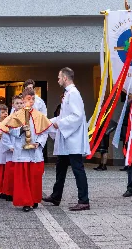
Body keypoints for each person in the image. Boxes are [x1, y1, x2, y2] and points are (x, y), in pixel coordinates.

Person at [43, 67, 91, 211]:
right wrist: (48, 122)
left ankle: (84, 200)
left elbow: (77, 116)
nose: (57, 80)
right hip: (66, 138)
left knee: (77, 168)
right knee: (60, 167)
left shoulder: (74, 93)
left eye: (59, 77)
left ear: (65, 78)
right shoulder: (68, 93)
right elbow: (63, 116)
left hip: (73, 139)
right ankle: (56, 196)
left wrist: (60, 123)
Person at [1, 88, 51, 212]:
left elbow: (44, 132)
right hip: (21, 152)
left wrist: (38, 143)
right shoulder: (16, 116)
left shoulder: (40, 116)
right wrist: (20, 130)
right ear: (23, 100)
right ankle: (26, 202)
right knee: (23, 178)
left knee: (34, 177)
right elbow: (10, 131)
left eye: (33, 98)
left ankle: (34, 199)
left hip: (34, 152)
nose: (31, 101)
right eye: (28, 99)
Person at [2, 95, 24, 201]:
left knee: (20, 172)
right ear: (13, 105)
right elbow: (5, 133)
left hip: (22, 147)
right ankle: (9, 193)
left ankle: (19, 192)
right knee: (11, 172)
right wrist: (9, 146)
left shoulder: (26, 116)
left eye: (21, 103)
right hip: (12, 147)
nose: (19, 105)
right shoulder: (9, 118)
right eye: (17, 103)